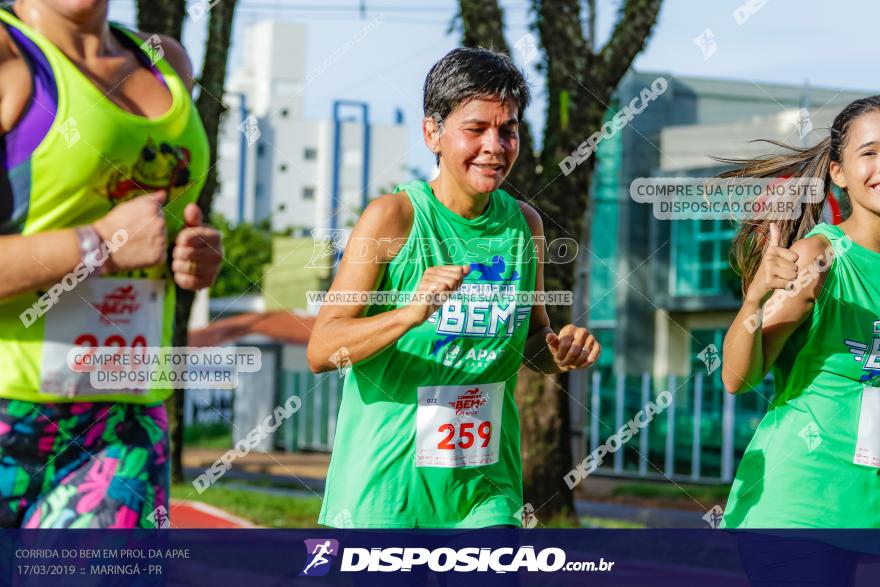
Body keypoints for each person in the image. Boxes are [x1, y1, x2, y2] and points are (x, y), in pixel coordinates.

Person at [308, 47, 601, 528]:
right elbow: (323, 349)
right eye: (476, 129)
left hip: (484, 492)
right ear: (433, 133)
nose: (495, 145)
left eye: (508, 130)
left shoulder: (525, 226)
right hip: (387, 492)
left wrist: (560, 349)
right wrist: (408, 313)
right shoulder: (394, 218)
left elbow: (532, 342)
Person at [0, 0, 222, 528]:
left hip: (123, 421)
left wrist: (191, 257)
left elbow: (151, 220)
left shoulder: (164, 61)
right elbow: (109, 232)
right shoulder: (9, 57)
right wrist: (95, 245)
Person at [721, 95, 880, 528]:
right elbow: (739, 378)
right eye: (870, 153)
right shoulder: (817, 258)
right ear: (839, 173)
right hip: (801, 508)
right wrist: (753, 301)